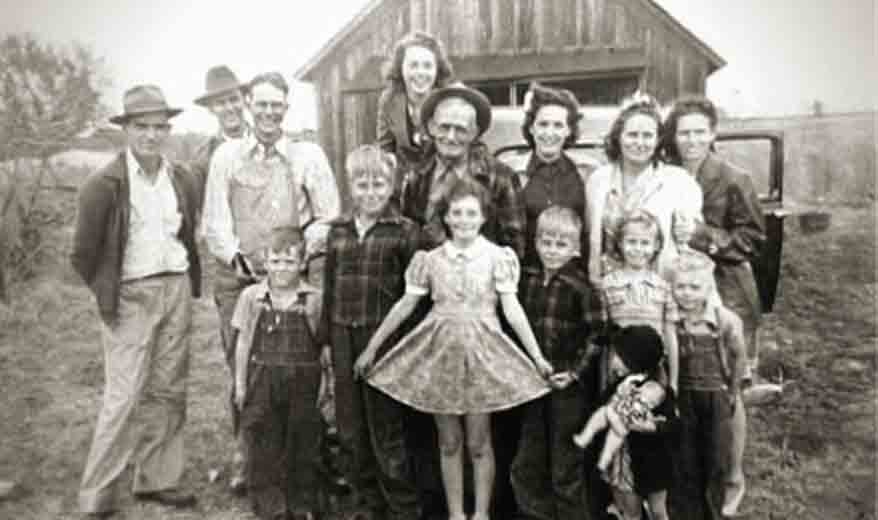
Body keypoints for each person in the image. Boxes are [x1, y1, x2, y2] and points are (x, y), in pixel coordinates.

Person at [355, 178, 553, 520]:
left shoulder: (496, 257)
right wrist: (372, 348)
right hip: (440, 350)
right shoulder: (429, 260)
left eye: (471, 213)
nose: (463, 220)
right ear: (445, 218)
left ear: (483, 217)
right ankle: (456, 514)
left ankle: (480, 514)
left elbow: (512, 309)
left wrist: (536, 357)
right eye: (456, 213)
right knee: (448, 441)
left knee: (479, 441)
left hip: (482, 350)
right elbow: (405, 305)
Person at [201, 71, 341, 492]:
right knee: (242, 361)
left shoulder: (307, 155)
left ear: (286, 108)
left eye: (276, 105)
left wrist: (305, 248)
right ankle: (247, 454)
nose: (268, 112)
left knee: (301, 365)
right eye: (260, 104)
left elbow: (329, 213)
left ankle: (308, 455)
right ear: (248, 105)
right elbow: (214, 222)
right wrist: (235, 256)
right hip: (241, 277)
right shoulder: (226, 157)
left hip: (293, 273)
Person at [71, 85, 201, 517]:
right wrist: (111, 292)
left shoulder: (181, 177)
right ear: (127, 130)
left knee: (169, 389)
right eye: (142, 127)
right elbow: (83, 254)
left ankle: (158, 479)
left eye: (160, 127)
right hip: (131, 294)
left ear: (168, 130)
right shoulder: (103, 184)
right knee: (123, 395)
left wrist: (180, 283)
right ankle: (97, 495)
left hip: (176, 288)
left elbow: (187, 231)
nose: (151, 135)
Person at [662, 95, 763, 516]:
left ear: (713, 133)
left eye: (699, 132)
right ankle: (694, 474)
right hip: (683, 292)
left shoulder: (733, 177)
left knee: (731, 386)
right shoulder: (664, 173)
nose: (691, 140)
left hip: (729, 290)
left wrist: (703, 234)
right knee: (689, 383)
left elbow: (753, 238)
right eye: (683, 132)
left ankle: (732, 475)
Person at [317, 145, 422, 520]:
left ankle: (402, 508)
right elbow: (329, 289)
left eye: (379, 184)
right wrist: (326, 340)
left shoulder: (405, 232)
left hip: (386, 342)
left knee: (387, 429)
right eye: (362, 184)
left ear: (391, 185)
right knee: (350, 428)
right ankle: (365, 507)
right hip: (344, 335)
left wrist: (403, 346)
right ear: (350, 186)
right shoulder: (339, 231)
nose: (371, 192)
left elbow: (415, 300)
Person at [510, 206, 604, 520]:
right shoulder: (528, 279)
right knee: (527, 460)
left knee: (566, 462)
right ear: (536, 242)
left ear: (576, 248)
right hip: (533, 380)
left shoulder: (582, 288)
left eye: (561, 244)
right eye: (546, 242)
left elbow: (597, 336)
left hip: (568, 386)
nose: (552, 250)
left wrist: (574, 374)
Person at [231, 227, 324, 520]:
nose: (281, 269)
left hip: (303, 378)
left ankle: (301, 503)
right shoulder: (251, 297)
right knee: (263, 442)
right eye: (275, 261)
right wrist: (240, 384)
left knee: (302, 440)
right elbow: (243, 343)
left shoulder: (313, 299)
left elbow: (323, 346)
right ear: (265, 261)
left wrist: (326, 384)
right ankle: (271, 506)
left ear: (302, 262)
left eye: (289, 262)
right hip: (262, 377)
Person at [586, 93, 702, 287]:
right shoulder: (598, 180)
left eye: (647, 136)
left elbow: (689, 249)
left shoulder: (679, 182)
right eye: (632, 135)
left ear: (658, 140)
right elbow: (592, 236)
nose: (639, 143)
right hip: (608, 289)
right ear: (618, 137)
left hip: (661, 291)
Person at [400, 83, 526, 258]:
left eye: (460, 129)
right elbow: (407, 242)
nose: (451, 137)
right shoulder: (416, 178)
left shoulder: (501, 178)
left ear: (475, 133)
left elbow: (514, 248)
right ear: (431, 127)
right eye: (444, 127)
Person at [666, 250, 747, 520]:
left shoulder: (725, 321)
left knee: (716, 457)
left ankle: (714, 510)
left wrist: (733, 392)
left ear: (709, 287)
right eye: (680, 286)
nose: (686, 293)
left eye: (694, 287)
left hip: (716, 397)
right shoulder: (671, 322)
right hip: (685, 397)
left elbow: (738, 357)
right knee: (685, 458)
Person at [573, 325, 676, 520]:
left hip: (653, 462)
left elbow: (674, 424)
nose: (613, 361)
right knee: (629, 512)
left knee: (658, 511)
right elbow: (598, 412)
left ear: (635, 360)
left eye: (619, 357)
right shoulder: (616, 388)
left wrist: (653, 426)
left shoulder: (659, 391)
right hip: (622, 463)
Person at [600, 210, 680, 391]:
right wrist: (603, 381)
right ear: (620, 243)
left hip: (654, 373)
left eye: (645, 243)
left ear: (656, 245)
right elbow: (603, 338)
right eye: (631, 242)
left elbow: (670, 336)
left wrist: (673, 382)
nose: (638, 249)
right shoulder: (607, 285)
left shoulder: (663, 287)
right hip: (618, 369)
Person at [517, 84, 588, 269]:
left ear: (568, 130)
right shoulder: (514, 172)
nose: (549, 133)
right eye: (543, 124)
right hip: (525, 274)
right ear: (531, 128)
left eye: (558, 125)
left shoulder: (586, 171)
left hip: (573, 277)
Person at [377, 31, 455, 174]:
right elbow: (386, 148)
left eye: (427, 66)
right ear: (400, 69)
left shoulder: (451, 100)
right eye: (413, 65)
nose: (420, 72)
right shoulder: (389, 99)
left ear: (437, 70)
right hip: (404, 187)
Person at [191, 64, 250, 208]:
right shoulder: (203, 158)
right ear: (211, 109)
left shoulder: (269, 142)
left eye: (234, 99)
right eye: (221, 103)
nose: (229, 108)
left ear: (244, 101)